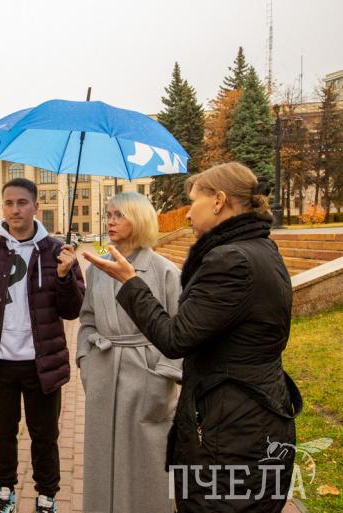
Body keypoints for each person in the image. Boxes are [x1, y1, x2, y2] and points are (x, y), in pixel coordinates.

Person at [83, 163, 303, 513]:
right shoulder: (259, 248)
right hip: (249, 411)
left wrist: (130, 283)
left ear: (218, 201)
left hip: (232, 425)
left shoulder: (230, 260)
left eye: (193, 201)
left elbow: (176, 338)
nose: (187, 214)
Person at [0, 177, 85, 513]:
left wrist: (65, 276)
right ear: (2, 207)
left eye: (22, 203)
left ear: (36, 206)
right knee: (2, 434)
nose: (15, 210)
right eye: (9, 203)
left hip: (42, 363)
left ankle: (47, 497)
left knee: (45, 436)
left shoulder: (57, 252)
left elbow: (73, 310)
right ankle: (4, 494)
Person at [76, 192, 181, 513]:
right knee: (102, 458)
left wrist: (162, 380)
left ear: (139, 219)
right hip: (103, 374)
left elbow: (180, 332)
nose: (110, 221)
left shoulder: (165, 271)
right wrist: (87, 361)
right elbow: (87, 319)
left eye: (119, 215)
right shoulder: (97, 269)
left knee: (146, 461)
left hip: (146, 377)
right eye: (108, 214)